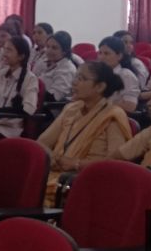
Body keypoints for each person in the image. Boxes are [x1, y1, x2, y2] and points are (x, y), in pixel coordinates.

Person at [38, 61, 131, 206]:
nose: (74, 82)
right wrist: (54, 158)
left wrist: (76, 164)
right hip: (56, 176)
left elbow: (115, 165)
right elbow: (42, 142)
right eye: (76, 77)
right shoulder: (71, 109)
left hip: (85, 183)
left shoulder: (112, 116)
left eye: (81, 78)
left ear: (100, 87)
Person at [0, 35, 40, 140]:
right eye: (4, 49)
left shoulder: (30, 79)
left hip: (9, 130)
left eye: (9, 50)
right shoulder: (3, 73)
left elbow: (28, 110)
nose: (4, 53)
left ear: (21, 56)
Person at [98, 35, 142, 114]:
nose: (101, 57)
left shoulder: (126, 75)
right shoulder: (96, 73)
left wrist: (100, 103)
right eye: (100, 53)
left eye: (106, 53)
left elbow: (130, 106)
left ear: (119, 56)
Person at [36, 30, 79, 102]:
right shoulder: (47, 62)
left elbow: (54, 97)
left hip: (49, 106)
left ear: (64, 51)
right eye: (47, 46)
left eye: (54, 48)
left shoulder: (67, 69)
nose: (49, 50)